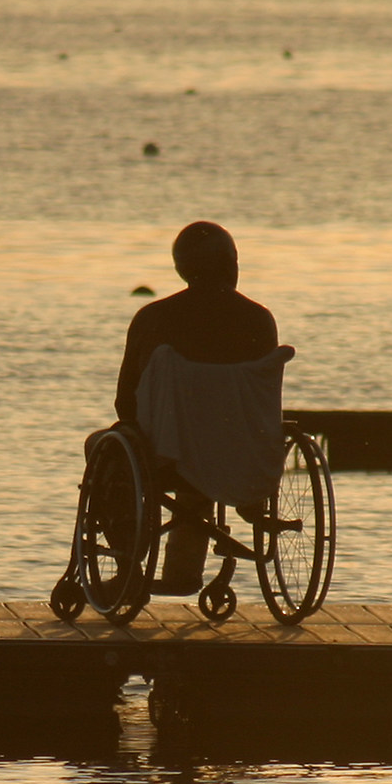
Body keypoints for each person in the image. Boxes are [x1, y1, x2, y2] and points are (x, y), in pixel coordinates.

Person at [114, 221, 279, 593]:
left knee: (109, 450)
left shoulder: (153, 318)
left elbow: (125, 402)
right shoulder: (259, 319)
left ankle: (128, 559)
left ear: (182, 269)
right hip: (240, 453)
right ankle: (182, 572)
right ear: (231, 264)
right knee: (200, 459)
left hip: (168, 455)